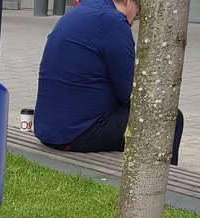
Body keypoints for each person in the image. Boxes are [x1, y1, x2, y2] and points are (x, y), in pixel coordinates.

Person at [34, 0, 184, 165]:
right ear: (128, 1)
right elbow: (130, 93)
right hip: (76, 133)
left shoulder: (76, 13)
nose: (133, 22)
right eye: (138, 12)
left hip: (47, 129)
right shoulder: (114, 23)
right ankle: (163, 184)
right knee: (170, 118)